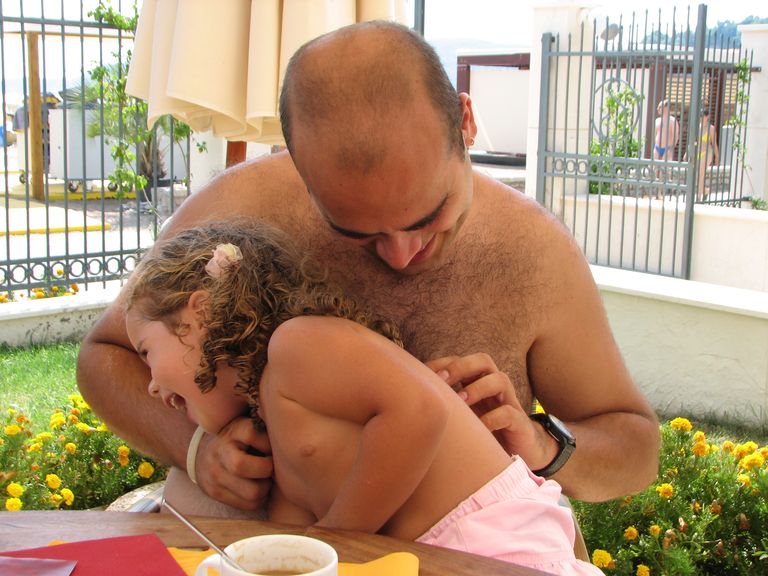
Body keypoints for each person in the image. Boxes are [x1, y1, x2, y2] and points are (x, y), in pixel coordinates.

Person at [77, 21, 660, 517]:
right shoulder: (245, 206)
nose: (401, 254)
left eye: (429, 217)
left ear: (465, 122)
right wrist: (196, 448)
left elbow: (635, 447)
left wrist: (542, 443)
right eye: (355, 232)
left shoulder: (533, 251)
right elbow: (105, 356)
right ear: (298, 166)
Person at [123, 220, 604, 575]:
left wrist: (338, 539)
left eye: (146, 352)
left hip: (495, 543)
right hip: (441, 555)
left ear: (200, 314)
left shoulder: (297, 344)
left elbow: (419, 412)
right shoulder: (273, 424)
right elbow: (294, 534)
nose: (150, 385)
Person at [689, 110, 720, 202]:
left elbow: (714, 144)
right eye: (700, 116)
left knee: (700, 174)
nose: (701, 118)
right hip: (698, 152)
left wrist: (717, 157)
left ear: (707, 117)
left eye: (703, 116)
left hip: (707, 153)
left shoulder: (711, 128)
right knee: (698, 175)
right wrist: (687, 153)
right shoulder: (697, 127)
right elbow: (692, 142)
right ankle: (705, 191)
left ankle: (698, 198)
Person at [652, 99, 680, 199]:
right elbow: (656, 134)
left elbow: (676, 136)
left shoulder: (672, 121)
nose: (658, 109)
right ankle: (657, 193)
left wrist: (671, 148)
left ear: (666, 108)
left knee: (665, 171)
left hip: (667, 148)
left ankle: (670, 191)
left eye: (660, 107)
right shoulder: (657, 121)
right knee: (656, 170)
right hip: (657, 148)